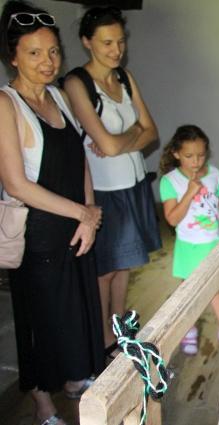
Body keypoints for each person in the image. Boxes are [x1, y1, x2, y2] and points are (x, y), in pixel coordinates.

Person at [0, 2, 105, 425]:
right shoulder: (7, 104)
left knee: (74, 308)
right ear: (13, 57)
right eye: (34, 53)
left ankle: (72, 379)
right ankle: (43, 404)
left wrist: (90, 214)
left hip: (75, 226)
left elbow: (79, 159)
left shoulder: (59, 96)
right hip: (37, 232)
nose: (48, 61)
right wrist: (83, 212)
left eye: (53, 52)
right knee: (40, 318)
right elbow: (16, 185)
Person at [64, 6, 161, 358]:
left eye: (120, 41)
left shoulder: (124, 77)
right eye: (107, 42)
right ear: (87, 42)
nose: (116, 50)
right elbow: (104, 144)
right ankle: (103, 336)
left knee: (124, 265)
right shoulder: (77, 83)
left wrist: (122, 139)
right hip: (104, 189)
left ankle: (119, 324)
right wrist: (129, 136)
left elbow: (152, 132)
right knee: (104, 269)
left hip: (132, 183)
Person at [159, 125, 219, 354]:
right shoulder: (170, 181)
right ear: (176, 154)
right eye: (189, 156)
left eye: (201, 155)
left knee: (215, 287)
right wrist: (189, 193)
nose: (196, 161)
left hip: (213, 243)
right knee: (190, 292)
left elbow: (218, 202)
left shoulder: (214, 174)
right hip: (188, 246)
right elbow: (172, 219)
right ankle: (189, 330)